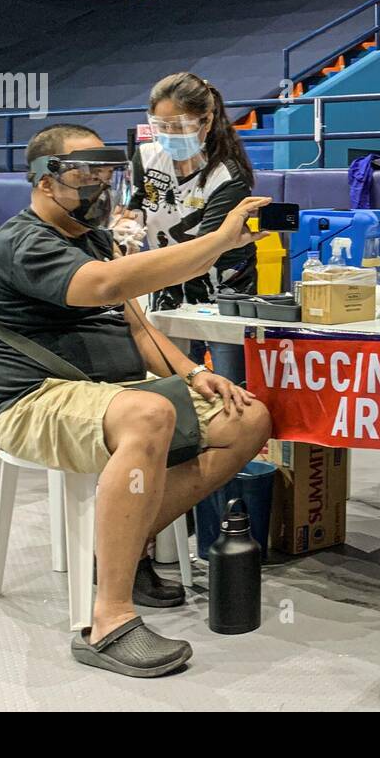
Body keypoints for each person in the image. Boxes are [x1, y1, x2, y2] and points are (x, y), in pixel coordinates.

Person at [0, 123, 272, 678]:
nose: (97, 185)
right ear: (43, 180)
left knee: (247, 418)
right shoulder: (24, 242)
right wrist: (218, 240)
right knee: (150, 412)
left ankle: (121, 548)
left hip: (110, 396)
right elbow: (108, 287)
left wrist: (190, 372)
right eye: (82, 172)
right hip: (31, 400)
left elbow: (135, 324)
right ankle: (108, 621)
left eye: (105, 172)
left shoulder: (93, 238)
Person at [127, 73, 260, 560]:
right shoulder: (145, 157)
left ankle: (226, 523)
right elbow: (132, 211)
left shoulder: (228, 177)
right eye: (158, 123)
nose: (166, 133)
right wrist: (124, 226)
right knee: (169, 407)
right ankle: (164, 522)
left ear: (205, 121)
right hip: (160, 299)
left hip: (218, 301)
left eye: (178, 124)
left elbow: (206, 251)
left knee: (229, 408)